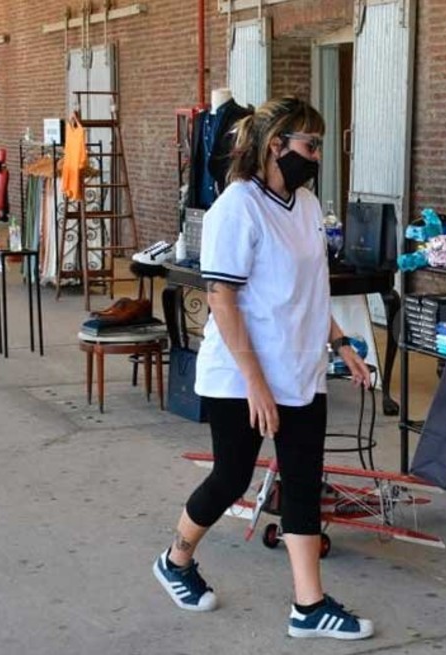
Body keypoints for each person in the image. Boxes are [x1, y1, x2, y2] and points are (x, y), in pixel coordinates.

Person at [155, 97, 376, 641]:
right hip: (241, 373)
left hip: (299, 369)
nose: (317, 155)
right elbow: (223, 301)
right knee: (232, 478)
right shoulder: (237, 206)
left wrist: (342, 342)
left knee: (302, 484)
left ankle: (309, 605)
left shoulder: (303, 203)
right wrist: (255, 383)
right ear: (276, 145)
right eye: (310, 144)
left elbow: (309, 290)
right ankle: (176, 559)